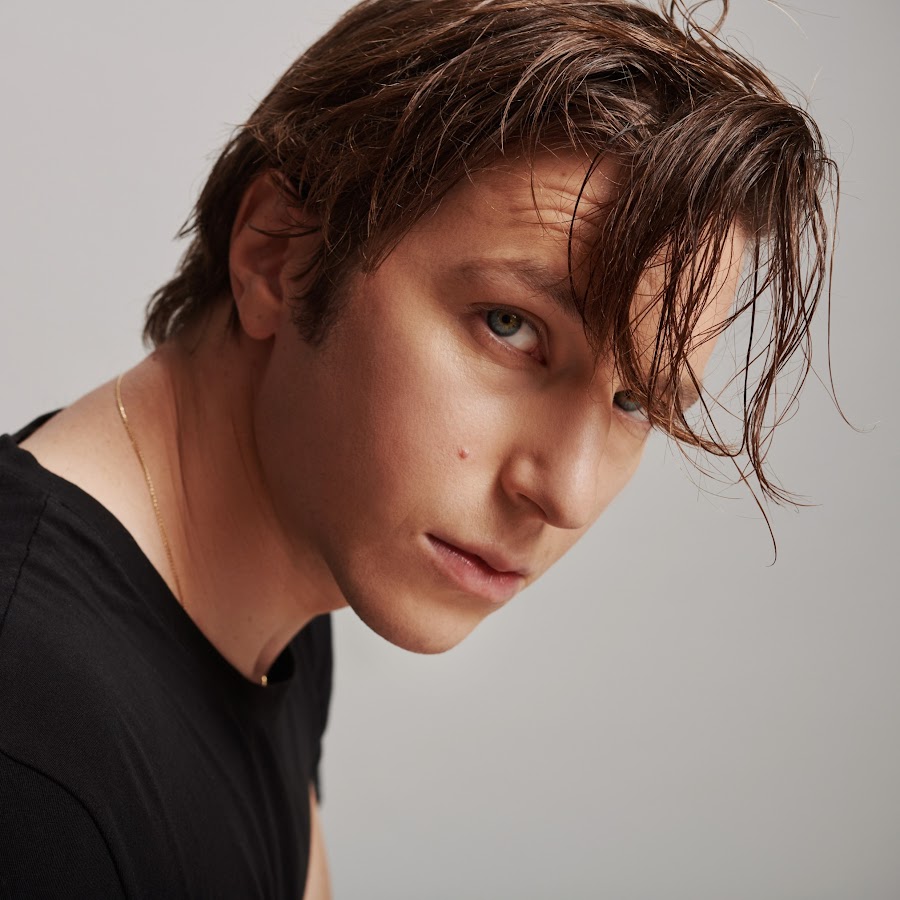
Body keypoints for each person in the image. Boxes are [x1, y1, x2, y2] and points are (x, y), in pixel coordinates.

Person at [0, 0, 835, 896]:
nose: (568, 492)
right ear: (279, 255)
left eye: (636, 401)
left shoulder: (278, 584)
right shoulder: (33, 754)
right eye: (510, 326)